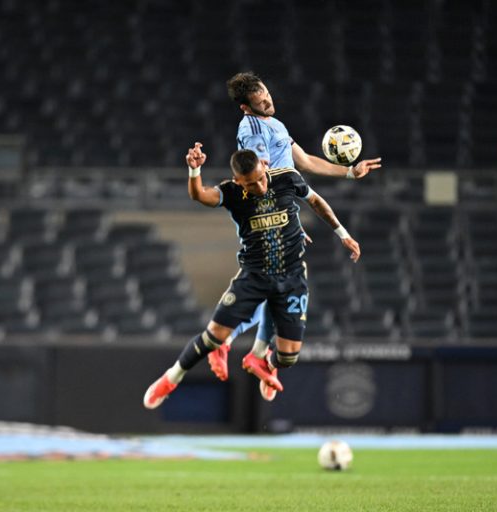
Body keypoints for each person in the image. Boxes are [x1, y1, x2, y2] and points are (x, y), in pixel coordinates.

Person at [143, 143, 360, 409]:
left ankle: (263, 361)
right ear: (238, 181)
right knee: (214, 337)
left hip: (292, 278)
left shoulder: (287, 178)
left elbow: (315, 201)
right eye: (250, 184)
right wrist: (194, 170)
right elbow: (199, 195)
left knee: (288, 357)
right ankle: (170, 378)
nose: (259, 187)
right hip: (254, 276)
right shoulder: (232, 192)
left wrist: (343, 234)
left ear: (265, 167)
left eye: (260, 179)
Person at [206, 71, 382, 398]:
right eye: (261, 101)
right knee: (276, 282)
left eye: (268, 95)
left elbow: (305, 162)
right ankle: (229, 344)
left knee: (282, 286)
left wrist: (348, 171)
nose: (268, 102)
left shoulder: (275, 124)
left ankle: (255, 354)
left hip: (283, 212)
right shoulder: (253, 129)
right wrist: (286, 219)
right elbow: (262, 176)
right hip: (271, 215)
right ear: (247, 107)